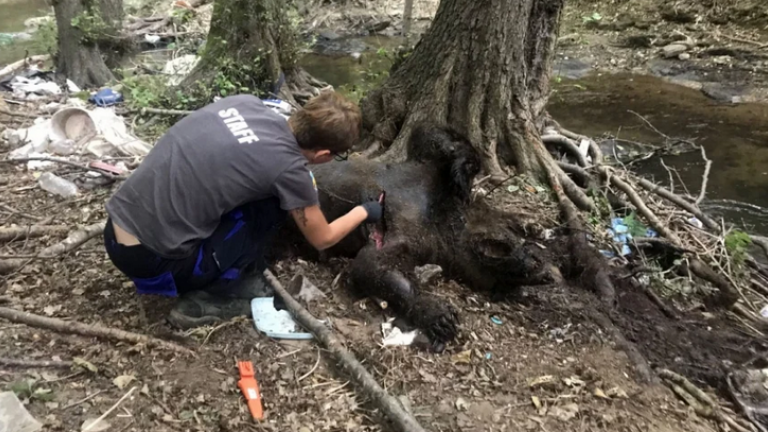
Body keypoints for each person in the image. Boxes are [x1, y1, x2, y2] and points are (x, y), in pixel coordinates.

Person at [103, 91, 382, 329]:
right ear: (324, 155)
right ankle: (217, 295)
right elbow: (323, 238)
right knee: (271, 208)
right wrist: (365, 211)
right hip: (151, 263)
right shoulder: (289, 170)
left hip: (116, 227)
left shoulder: (245, 103)